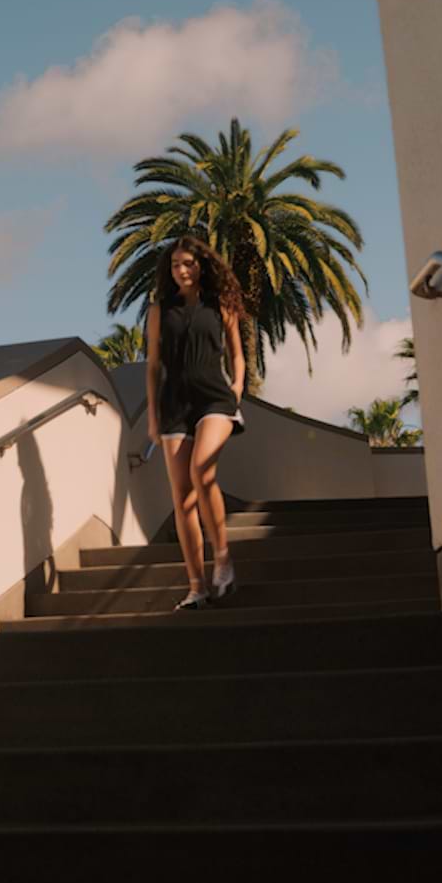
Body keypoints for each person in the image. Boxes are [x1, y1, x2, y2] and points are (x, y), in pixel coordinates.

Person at [143, 234, 246, 610]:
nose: (182, 270)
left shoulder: (221, 303)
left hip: (215, 398)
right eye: (175, 265)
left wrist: (236, 388)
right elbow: (153, 365)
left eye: (188, 263)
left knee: (203, 469)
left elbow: (238, 354)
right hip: (173, 404)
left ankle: (222, 557)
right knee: (182, 498)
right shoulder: (159, 310)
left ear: (201, 264)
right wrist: (153, 416)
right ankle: (196, 587)